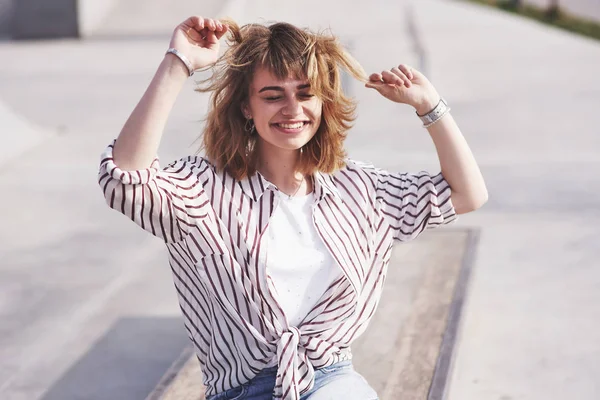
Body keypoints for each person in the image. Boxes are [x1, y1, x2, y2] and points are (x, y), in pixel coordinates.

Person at [98, 15, 487, 400]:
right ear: (247, 107)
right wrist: (177, 63)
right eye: (272, 96)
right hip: (244, 389)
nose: (292, 108)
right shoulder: (204, 189)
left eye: (305, 93)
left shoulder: (359, 190)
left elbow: (467, 193)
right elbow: (123, 181)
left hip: (332, 381)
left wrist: (430, 106)